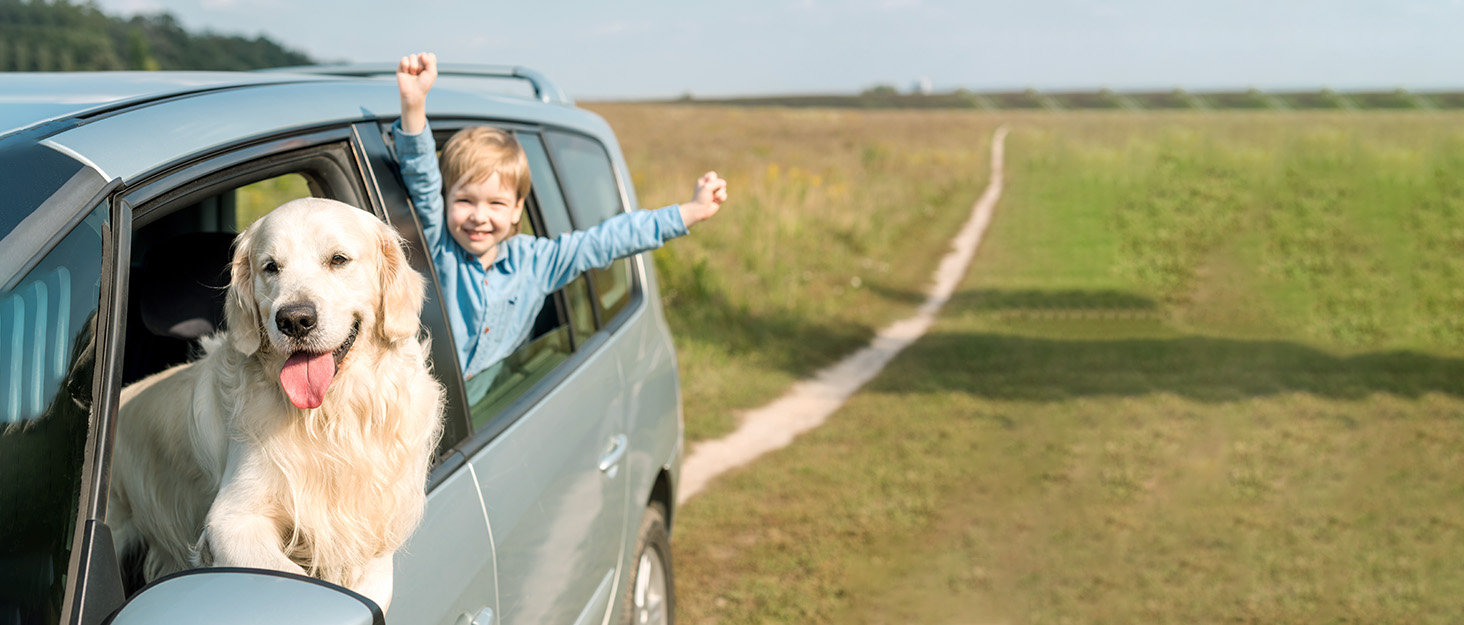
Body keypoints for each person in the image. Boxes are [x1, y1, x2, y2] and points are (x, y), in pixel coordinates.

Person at [393, 52, 728, 389]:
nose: (479, 216)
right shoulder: (438, 243)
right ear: (446, 200)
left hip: (477, 409)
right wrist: (413, 104)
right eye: (465, 200)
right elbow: (421, 175)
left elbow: (609, 239)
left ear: (516, 210)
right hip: (419, 401)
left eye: (496, 203)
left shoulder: (538, 262)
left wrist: (689, 212)